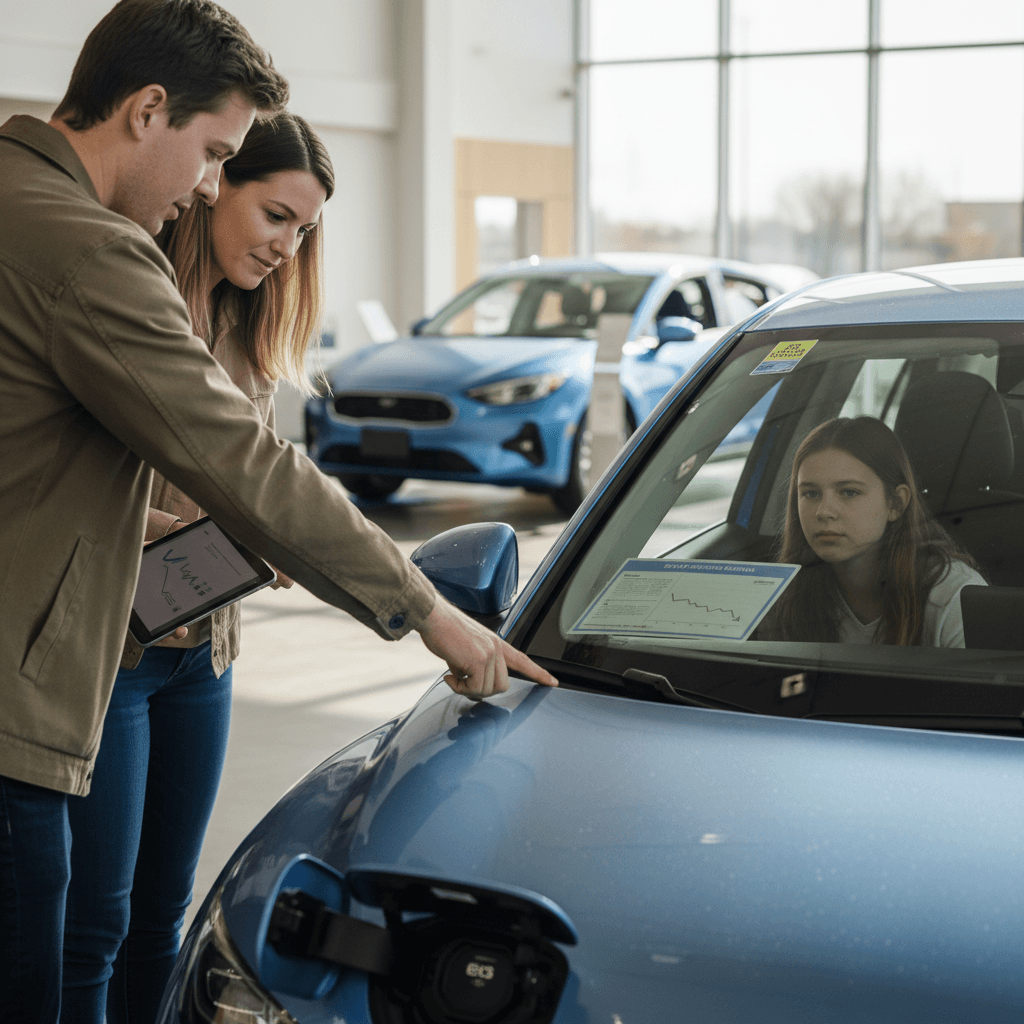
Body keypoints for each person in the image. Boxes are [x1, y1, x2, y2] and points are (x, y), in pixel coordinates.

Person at [0, 2, 555, 1020]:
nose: (207, 182)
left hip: (174, 646)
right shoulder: (90, 250)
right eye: (211, 154)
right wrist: (426, 607)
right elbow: (241, 464)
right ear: (146, 108)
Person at [59, 111, 334, 1023]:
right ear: (216, 183)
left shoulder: (250, 330)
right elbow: (65, 494)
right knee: (91, 923)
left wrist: (267, 540)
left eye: (303, 232)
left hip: (202, 650)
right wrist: (218, 523)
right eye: (275, 217)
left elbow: (261, 486)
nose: (287, 249)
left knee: (163, 917)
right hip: (111, 658)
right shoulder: (121, 299)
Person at [762, 416, 986, 646]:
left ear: (896, 503)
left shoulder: (953, 596)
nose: (823, 512)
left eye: (849, 492)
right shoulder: (784, 596)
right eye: (810, 494)